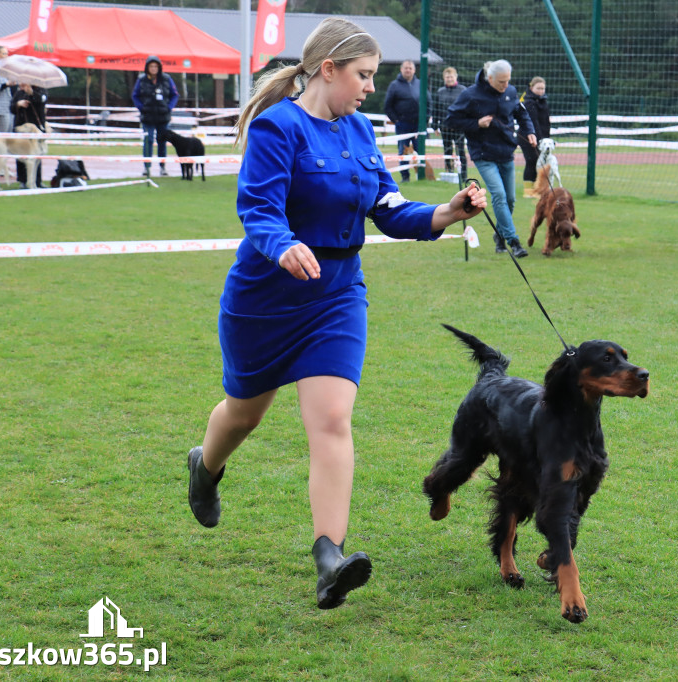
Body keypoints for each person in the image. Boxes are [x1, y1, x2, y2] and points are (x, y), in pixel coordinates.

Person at [185, 17, 487, 611]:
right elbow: (260, 208)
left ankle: (330, 556)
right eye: (363, 75)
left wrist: (446, 214)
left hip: (338, 294)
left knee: (331, 419)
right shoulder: (279, 127)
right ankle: (206, 466)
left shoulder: (359, 133)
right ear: (329, 70)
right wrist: (282, 245)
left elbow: (388, 206)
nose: (370, 88)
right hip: (266, 299)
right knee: (244, 413)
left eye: (374, 76)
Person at [445, 59, 536, 258]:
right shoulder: (470, 95)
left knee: (510, 199)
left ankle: (499, 235)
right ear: (490, 78)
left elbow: (522, 114)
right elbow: (450, 119)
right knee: (499, 196)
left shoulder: (511, 92)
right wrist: (476, 123)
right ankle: (514, 241)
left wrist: (530, 131)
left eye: (508, 81)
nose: (506, 86)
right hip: (483, 154)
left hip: (506, 153)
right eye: (501, 82)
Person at [132, 56, 178, 177]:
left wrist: (169, 108)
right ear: (147, 68)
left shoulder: (167, 79)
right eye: (151, 66)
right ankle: (147, 167)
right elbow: (135, 95)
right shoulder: (141, 80)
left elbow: (175, 95)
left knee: (162, 142)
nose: (153, 68)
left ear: (159, 67)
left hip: (163, 117)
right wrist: (141, 108)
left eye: (156, 66)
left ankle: (162, 167)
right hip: (147, 117)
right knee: (148, 141)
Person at [384, 59, 421, 183]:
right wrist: (396, 120)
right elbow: (387, 105)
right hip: (402, 125)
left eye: (410, 68)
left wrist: (424, 122)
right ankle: (405, 177)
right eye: (406, 68)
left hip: (418, 125)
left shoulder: (420, 84)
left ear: (414, 70)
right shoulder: (394, 85)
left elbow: (428, 103)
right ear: (401, 69)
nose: (408, 70)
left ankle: (421, 175)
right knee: (402, 151)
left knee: (420, 150)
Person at [432, 67, 468, 182]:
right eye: (447, 77)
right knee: (447, 150)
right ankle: (449, 172)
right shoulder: (440, 92)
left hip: (459, 127)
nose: (449, 79)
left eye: (451, 76)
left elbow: (468, 108)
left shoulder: (463, 90)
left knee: (461, 151)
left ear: (455, 77)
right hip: (445, 127)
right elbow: (435, 110)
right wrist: (435, 126)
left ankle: (463, 176)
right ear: (444, 78)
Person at [10, 83, 48, 189]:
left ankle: (37, 181)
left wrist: (32, 94)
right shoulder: (19, 93)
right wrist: (18, 104)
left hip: (36, 127)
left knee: (37, 156)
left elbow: (42, 100)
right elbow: (11, 109)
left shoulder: (41, 90)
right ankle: (22, 180)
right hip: (21, 127)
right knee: (21, 155)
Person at [518, 76, 550, 197]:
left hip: (542, 138)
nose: (541, 91)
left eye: (543, 88)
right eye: (538, 88)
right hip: (527, 137)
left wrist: (547, 138)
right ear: (532, 88)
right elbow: (533, 122)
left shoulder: (543, 101)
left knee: (539, 163)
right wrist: (538, 138)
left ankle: (538, 189)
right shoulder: (529, 102)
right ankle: (528, 191)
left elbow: (546, 122)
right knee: (531, 162)